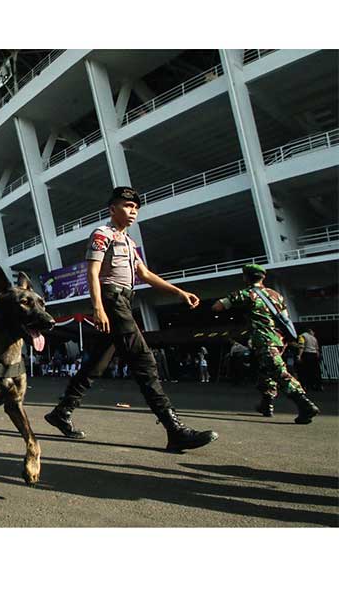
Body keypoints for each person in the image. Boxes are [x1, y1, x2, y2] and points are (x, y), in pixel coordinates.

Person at [44, 186, 218, 452]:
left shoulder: (129, 242)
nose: (133, 211)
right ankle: (175, 430)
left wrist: (179, 292)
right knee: (144, 361)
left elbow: (145, 275)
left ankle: (62, 411)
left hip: (124, 301)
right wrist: (98, 308)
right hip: (112, 300)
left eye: (136, 208)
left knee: (96, 364)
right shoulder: (102, 235)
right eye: (127, 206)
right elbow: (92, 273)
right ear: (112, 209)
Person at [212, 265, 319, 423]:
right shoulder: (276, 295)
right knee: (266, 371)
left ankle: (304, 404)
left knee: (278, 371)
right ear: (263, 277)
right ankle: (266, 404)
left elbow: (217, 306)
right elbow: (285, 317)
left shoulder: (246, 294)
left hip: (264, 340)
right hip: (279, 340)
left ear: (245, 277)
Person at [297, 328, 322, 393]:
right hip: (314, 355)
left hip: (306, 355)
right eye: (313, 332)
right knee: (315, 371)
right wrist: (318, 356)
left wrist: (299, 355)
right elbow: (317, 349)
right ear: (310, 331)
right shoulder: (314, 338)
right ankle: (317, 385)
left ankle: (305, 386)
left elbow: (301, 346)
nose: (314, 333)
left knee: (305, 371)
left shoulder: (302, 336)